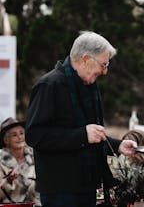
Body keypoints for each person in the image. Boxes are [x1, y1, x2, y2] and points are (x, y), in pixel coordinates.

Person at [25, 31, 137, 207]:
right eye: (104, 64)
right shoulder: (49, 85)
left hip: (87, 185)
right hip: (60, 189)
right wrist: (81, 135)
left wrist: (117, 145)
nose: (105, 71)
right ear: (86, 59)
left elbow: (91, 134)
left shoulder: (88, 86)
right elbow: (34, 135)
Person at [0, 117, 41, 206]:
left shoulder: (35, 157)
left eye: (22, 133)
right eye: (14, 135)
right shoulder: (1, 161)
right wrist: (9, 181)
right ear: (6, 140)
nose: (19, 137)